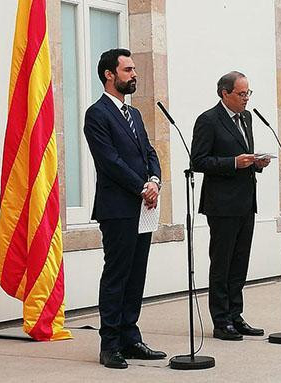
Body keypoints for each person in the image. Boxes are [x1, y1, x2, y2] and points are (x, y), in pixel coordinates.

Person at [83, 48, 166, 369]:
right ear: (110, 74)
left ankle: (131, 338)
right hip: (117, 208)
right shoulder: (97, 114)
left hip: (143, 207)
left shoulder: (134, 114)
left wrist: (155, 179)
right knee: (117, 274)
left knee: (136, 274)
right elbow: (109, 162)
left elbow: (149, 151)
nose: (134, 75)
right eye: (128, 70)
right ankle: (110, 344)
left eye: (133, 70)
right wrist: (141, 186)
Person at [191, 71, 271, 341]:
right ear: (225, 94)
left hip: (246, 201)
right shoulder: (208, 120)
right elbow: (199, 161)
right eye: (241, 94)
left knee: (240, 262)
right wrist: (233, 163)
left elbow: (243, 153)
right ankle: (221, 320)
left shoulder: (247, 118)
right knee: (222, 262)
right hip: (222, 204)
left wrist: (256, 163)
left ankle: (236, 315)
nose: (246, 98)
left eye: (248, 93)